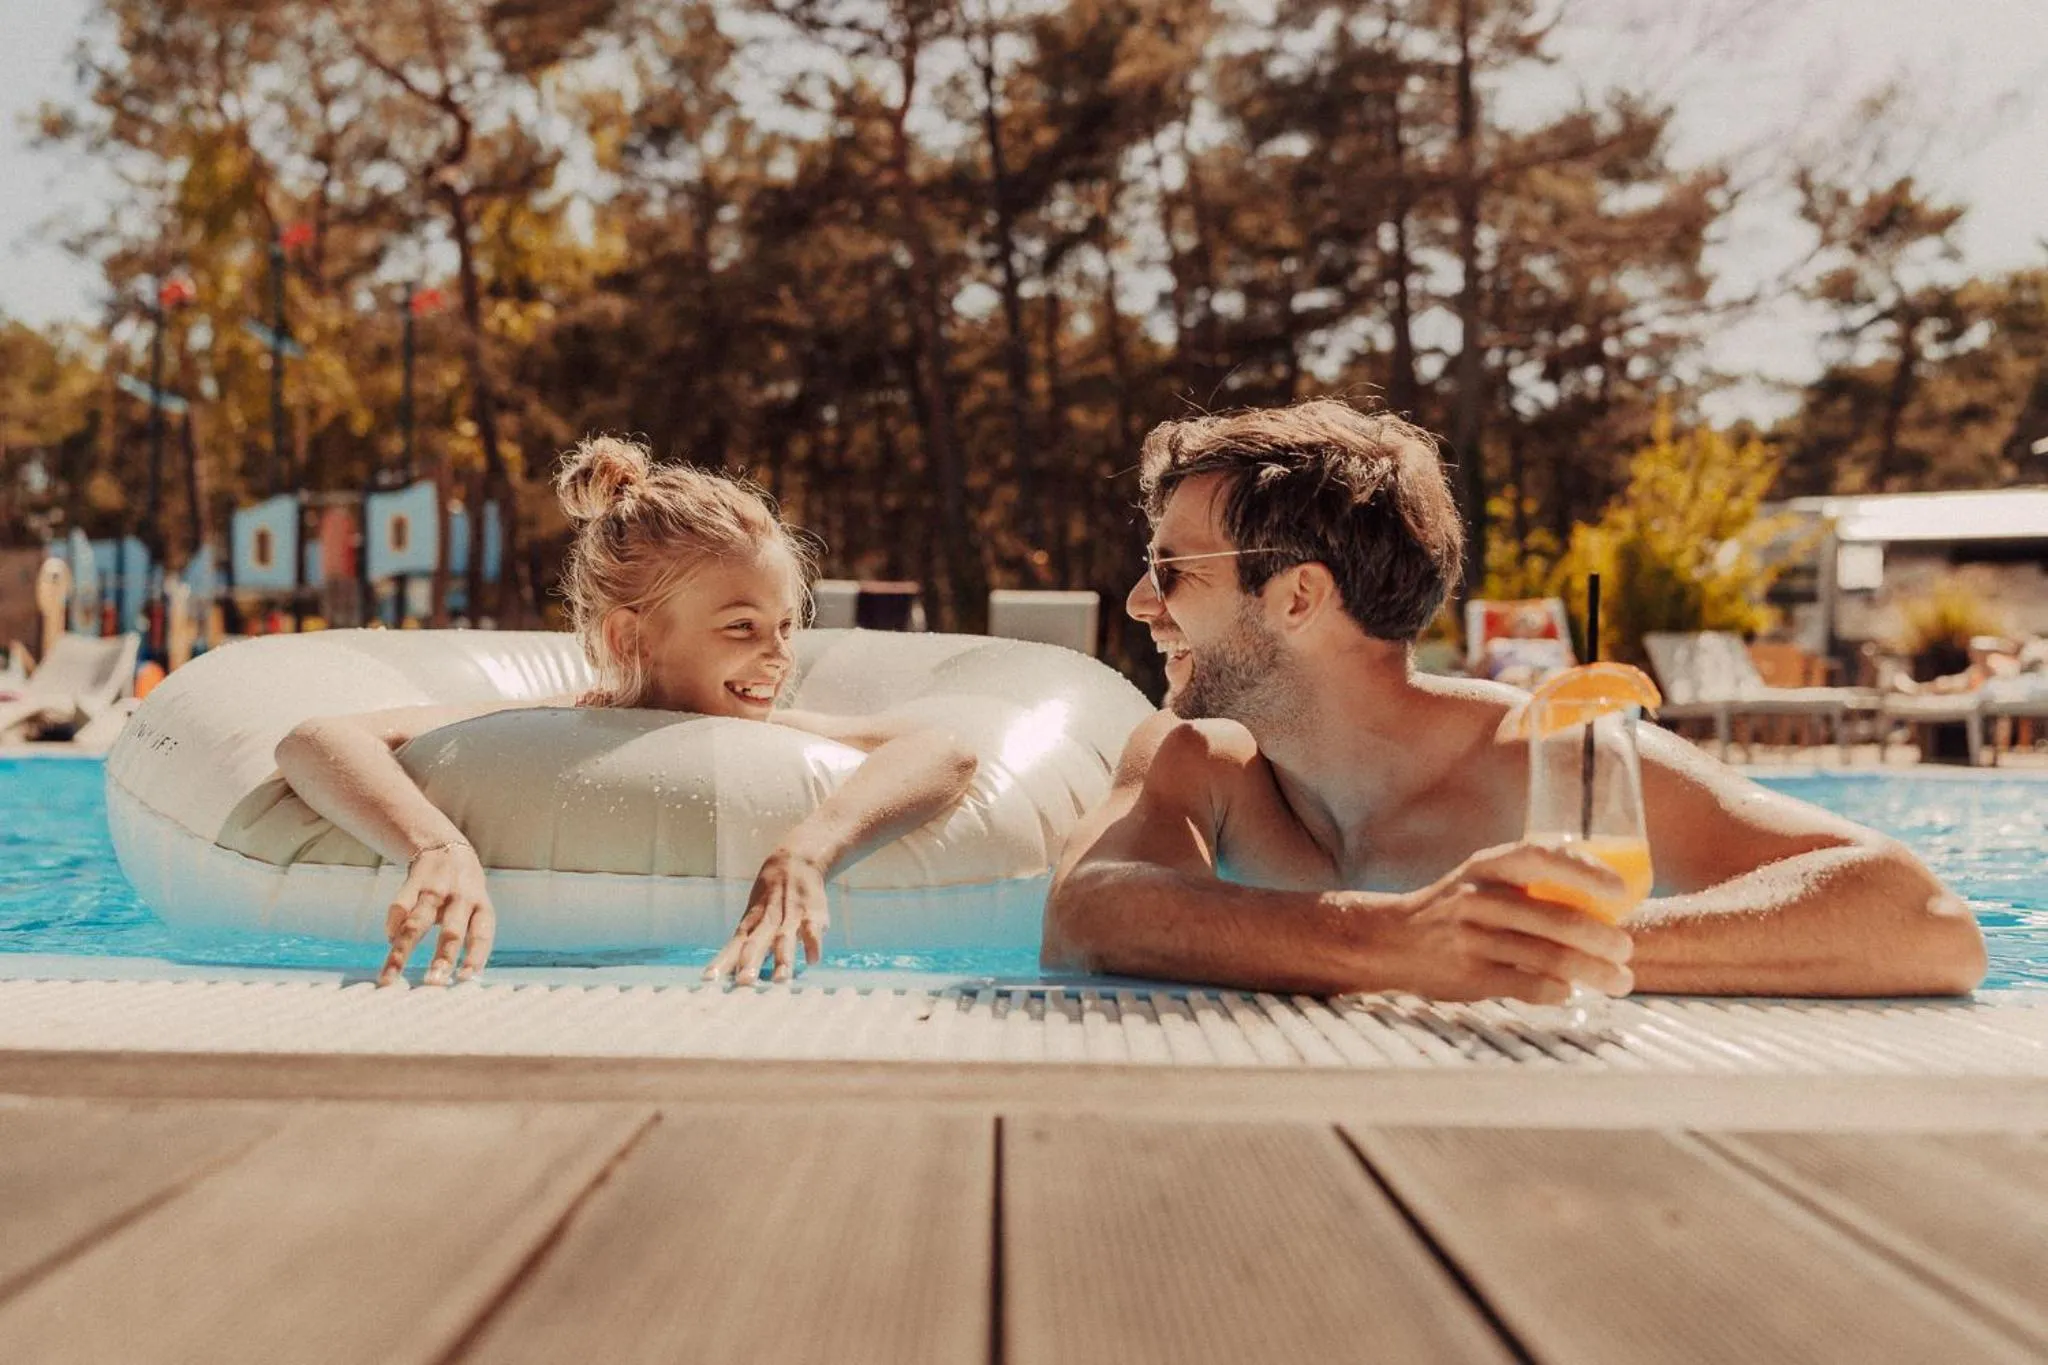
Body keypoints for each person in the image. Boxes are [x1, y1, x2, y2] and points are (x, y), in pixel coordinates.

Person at [1046, 400, 1986, 1001]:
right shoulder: (1196, 761)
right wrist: (1398, 942)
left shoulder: (1547, 760)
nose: (1139, 603)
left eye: (1171, 572)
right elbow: (1086, 913)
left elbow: (1922, 919)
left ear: (1298, 596)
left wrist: (1534, 943)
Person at [276, 437, 977, 987]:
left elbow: (945, 749)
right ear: (629, 637)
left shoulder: (778, 738)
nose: (778, 656)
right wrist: (437, 845)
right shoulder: (548, 727)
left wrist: (808, 851)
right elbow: (317, 738)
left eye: (786, 627)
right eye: (741, 628)